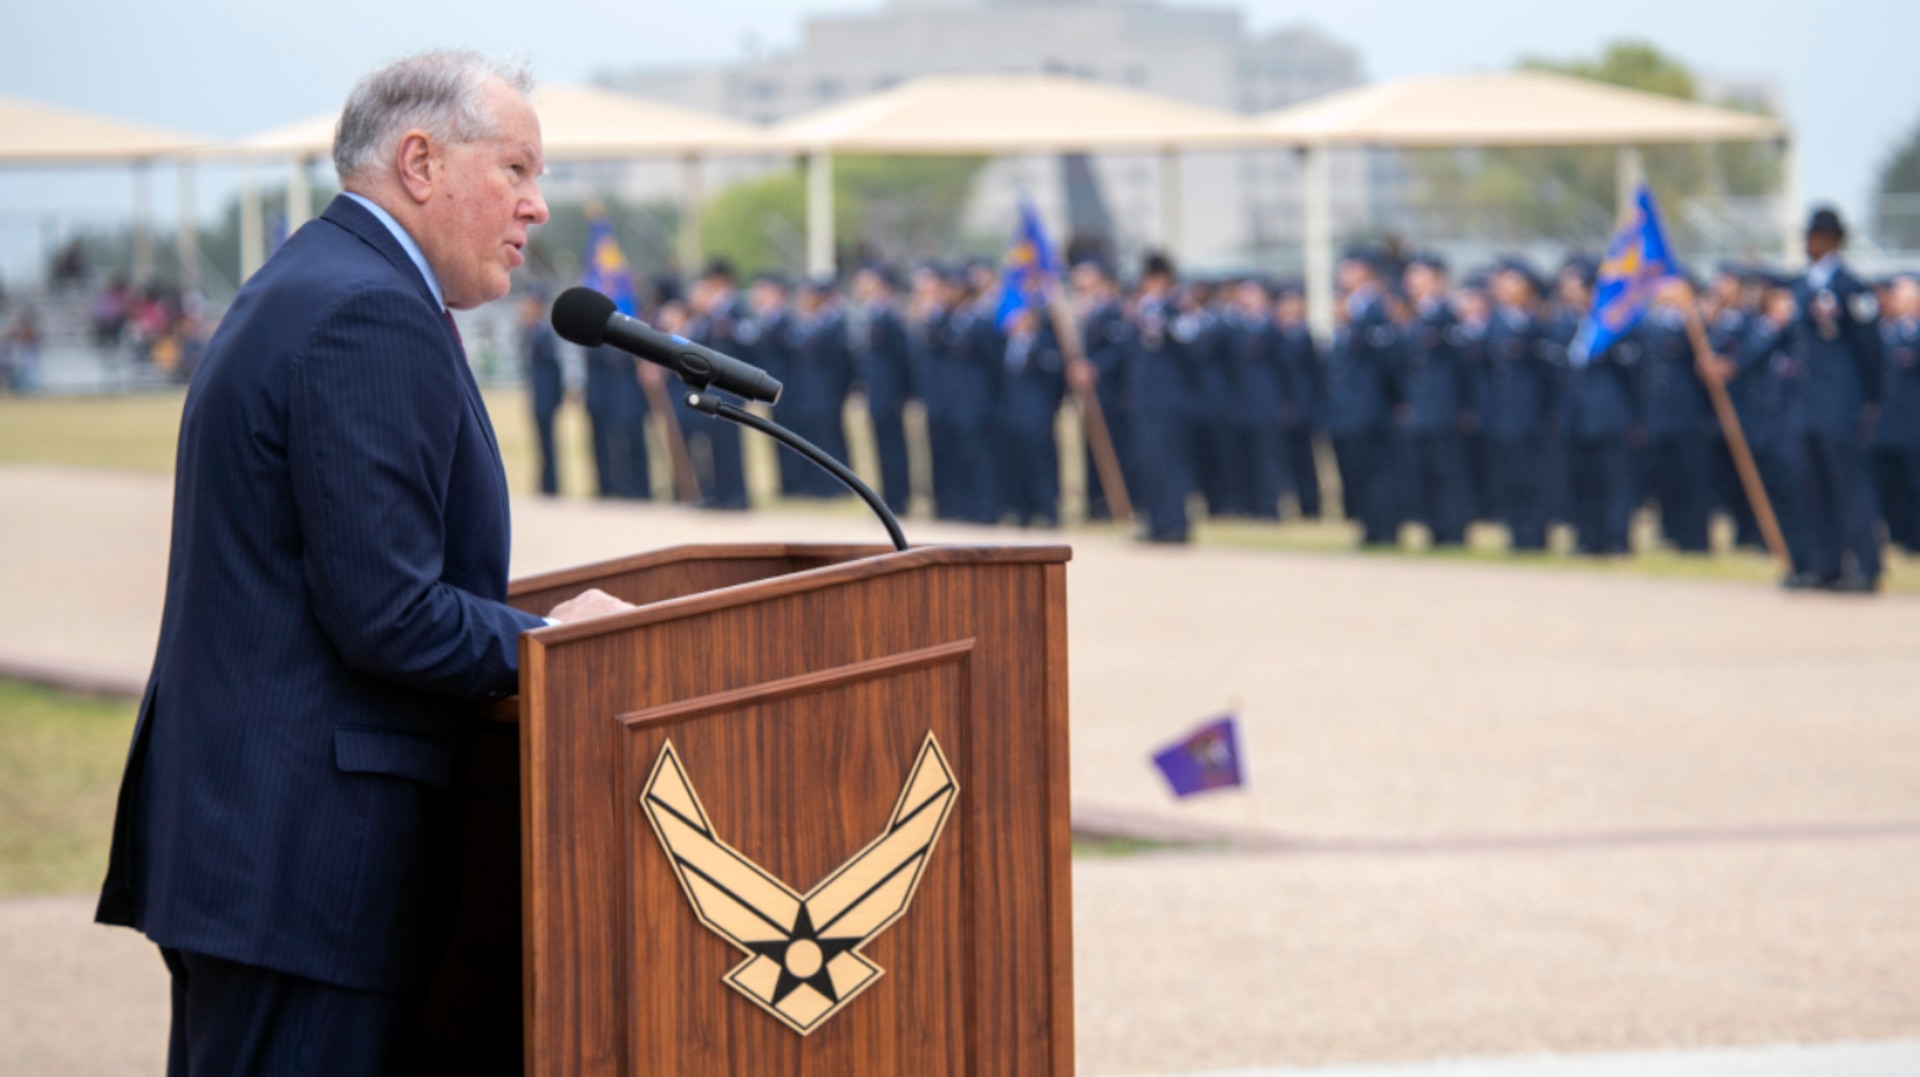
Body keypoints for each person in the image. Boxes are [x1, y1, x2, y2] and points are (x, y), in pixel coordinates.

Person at [94, 52, 632, 1075]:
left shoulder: (321, 278)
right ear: (420, 161)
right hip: (306, 866)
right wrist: (561, 644)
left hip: (267, 855)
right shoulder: (366, 310)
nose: (538, 206)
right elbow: (388, 611)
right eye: (516, 169)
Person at [1785, 207, 1884, 591]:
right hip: (1808, 403)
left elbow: (1870, 350)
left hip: (1842, 403)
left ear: (1833, 240)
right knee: (1814, 486)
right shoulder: (1804, 286)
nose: (1810, 244)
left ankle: (1866, 566)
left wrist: (1870, 400)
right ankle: (1826, 564)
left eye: (1817, 237)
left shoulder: (1852, 288)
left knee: (1851, 487)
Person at [1326, 250, 1402, 547]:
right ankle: (1370, 528)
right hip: (1350, 408)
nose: (1343, 276)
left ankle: (1384, 530)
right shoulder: (1349, 307)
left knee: (1378, 472)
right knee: (1358, 471)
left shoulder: (1376, 308)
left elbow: (1387, 359)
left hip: (1372, 405)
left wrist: (1395, 399)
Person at [1395, 254, 1471, 546]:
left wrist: (1463, 406)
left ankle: (1453, 531)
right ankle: (1435, 529)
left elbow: (1461, 364)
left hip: (1445, 408)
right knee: (1424, 474)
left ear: (1437, 279)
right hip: (1420, 409)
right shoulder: (1415, 316)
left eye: (1419, 274)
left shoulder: (1448, 315)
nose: (1411, 281)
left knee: (1448, 474)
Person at [1480, 259, 1554, 551]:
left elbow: (1550, 375)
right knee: (1507, 477)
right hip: (1500, 414)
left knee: (1532, 477)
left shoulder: (1539, 325)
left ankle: (1534, 534)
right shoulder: (1492, 324)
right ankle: (1515, 532)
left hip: (1531, 414)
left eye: (1513, 282)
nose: (1505, 289)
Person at [1638, 281, 1714, 553]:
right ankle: (1671, 531)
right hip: (1658, 414)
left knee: (1693, 478)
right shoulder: (1649, 325)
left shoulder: (1694, 325)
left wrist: (1692, 315)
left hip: (1689, 414)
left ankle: (1696, 538)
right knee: (1666, 478)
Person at [1125, 252, 1195, 542]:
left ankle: (1175, 522)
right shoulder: (1139, 310)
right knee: (1148, 461)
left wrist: (1166, 318)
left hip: (1169, 400)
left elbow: (1190, 347)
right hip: (1144, 399)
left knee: (1170, 462)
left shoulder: (1176, 309)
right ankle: (1155, 521)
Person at [1070, 259, 1135, 521]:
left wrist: (1095, 367)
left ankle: (1118, 500)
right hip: (1085, 391)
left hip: (1111, 389)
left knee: (1115, 443)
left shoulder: (1114, 309)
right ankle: (1094, 501)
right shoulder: (1077, 310)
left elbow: (1120, 349)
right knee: (1088, 444)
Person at [850, 266, 915, 515]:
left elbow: (902, 358)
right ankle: (887, 499)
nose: (861, 285)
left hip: (891, 393)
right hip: (876, 391)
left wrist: (904, 392)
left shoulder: (891, 316)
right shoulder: (870, 314)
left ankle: (900, 499)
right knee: (880, 447)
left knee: (894, 449)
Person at [997, 306, 1067, 527]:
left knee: (1042, 463)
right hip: (1013, 413)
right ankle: (1022, 510)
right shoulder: (1008, 345)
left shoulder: (1044, 344)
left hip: (1038, 413)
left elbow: (1055, 378)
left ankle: (1048, 510)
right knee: (1017, 464)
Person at [1226, 278, 1289, 520]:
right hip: (1243, 401)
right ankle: (1249, 504)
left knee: (1269, 458)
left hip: (1267, 401)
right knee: (1245, 457)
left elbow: (1284, 367)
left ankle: (1270, 506)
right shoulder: (1237, 327)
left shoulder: (1273, 327)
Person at [1873, 274, 1920, 553]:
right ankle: (1899, 534)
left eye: (1905, 296)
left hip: (1914, 423)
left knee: (1915, 483)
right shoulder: (1883, 332)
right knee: (1890, 483)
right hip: (1886, 424)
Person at [1273, 285, 1325, 519]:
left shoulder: (1304, 335)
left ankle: (1311, 504)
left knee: (1306, 457)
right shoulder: (1275, 334)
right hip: (1281, 405)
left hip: (1303, 405)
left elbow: (1315, 373)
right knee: (1285, 458)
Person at [519, 291, 564, 495]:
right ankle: (544, 485)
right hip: (537, 397)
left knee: (549, 446)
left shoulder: (544, 334)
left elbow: (555, 368)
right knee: (540, 445)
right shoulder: (529, 332)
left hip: (547, 398)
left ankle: (551, 486)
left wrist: (557, 398)